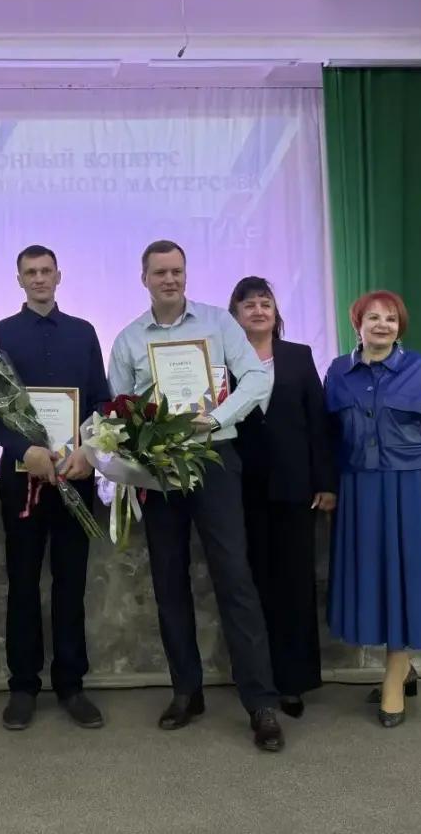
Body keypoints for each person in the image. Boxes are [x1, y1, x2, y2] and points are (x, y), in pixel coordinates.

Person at [107, 239, 285, 752]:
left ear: (186, 274)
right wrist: (135, 447)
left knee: (235, 578)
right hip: (158, 470)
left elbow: (257, 378)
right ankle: (187, 691)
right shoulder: (128, 339)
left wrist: (217, 418)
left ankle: (260, 702)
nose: (170, 279)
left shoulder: (218, 323)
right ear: (144, 278)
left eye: (177, 271)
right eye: (160, 272)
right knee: (168, 581)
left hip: (214, 459)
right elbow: (119, 407)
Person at [323, 289, 421, 728]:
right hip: (359, 492)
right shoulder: (338, 372)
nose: (382, 325)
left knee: (407, 582)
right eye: (373, 317)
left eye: (390, 318)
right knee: (377, 582)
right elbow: (328, 437)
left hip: (412, 491)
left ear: (399, 326)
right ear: (358, 325)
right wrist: (328, 486)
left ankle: (393, 679)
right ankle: (403, 670)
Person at [0, 245, 112, 731]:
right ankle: (23, 687)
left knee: (71, 582)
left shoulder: (84, 332)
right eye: (30, 272)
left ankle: (71, 685)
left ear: (59, 276)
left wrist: (88, 451)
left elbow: (100, 401)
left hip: (75, 473)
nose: (39, 278)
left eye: (46, 271)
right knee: (21, 582)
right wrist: (24, 449)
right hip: (22, 481)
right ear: (19, 279)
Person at [228, 276, 336, 720]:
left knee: (295, 585)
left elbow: (318, 423)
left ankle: (293, 683)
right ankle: (259, 681)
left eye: (265, 303)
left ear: (275, 313)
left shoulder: (298, 356)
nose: (258, 310)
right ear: (235, 315)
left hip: (295, 489)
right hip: (240, 489)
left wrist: (326, 482)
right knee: (251, 587)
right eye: (248, 304)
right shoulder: (222, 360)